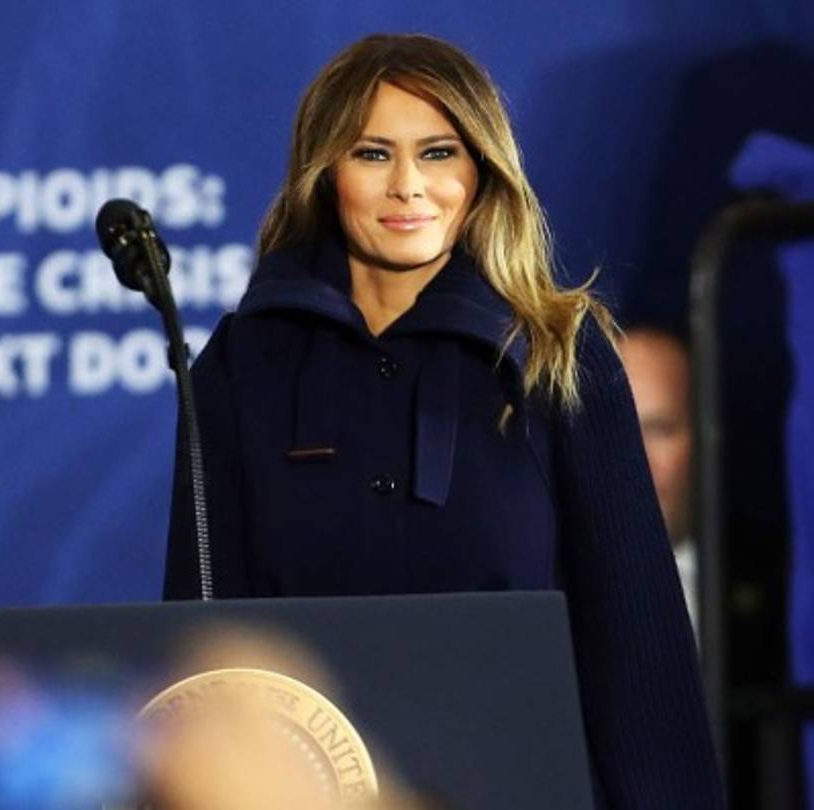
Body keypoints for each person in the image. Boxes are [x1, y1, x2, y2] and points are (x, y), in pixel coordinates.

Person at [163, 33, 722, 807]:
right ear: (324, 173)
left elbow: (638, 650)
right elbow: (204, 649)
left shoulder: (558, 354)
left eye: (437, 153)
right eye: (371, 154)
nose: (408, 187)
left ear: (481, 173)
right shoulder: (238, 367)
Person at [619, 327, 699, 631]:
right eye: (619, 435)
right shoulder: (552, 586)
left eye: (659, 431)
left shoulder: (775, 578)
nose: (640, 461)